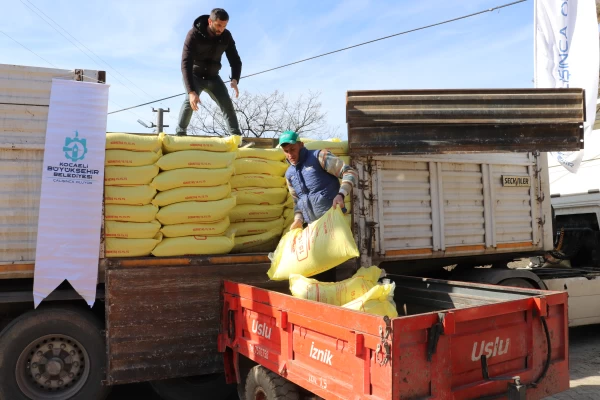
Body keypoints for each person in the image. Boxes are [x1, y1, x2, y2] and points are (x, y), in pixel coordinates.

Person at [176, 8, 242, 136]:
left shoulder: (226, 36)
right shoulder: (193, 34)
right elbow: (185, 63)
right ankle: (180, 134)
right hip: (195, 76)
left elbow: (235, 59)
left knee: (226, 104)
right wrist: (191, 91)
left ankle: (236, 136)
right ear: (210, 21)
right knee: (190, 102)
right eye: (218, 25)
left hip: (213, 77)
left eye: (224, 26)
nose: (221, 29)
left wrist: (235, 79)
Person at [279, 131, 358, 230]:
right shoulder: (289, 174)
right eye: (286, 151)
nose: (290, 154)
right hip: (313, 227)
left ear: (301, 145)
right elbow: (297, 201)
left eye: (292, 149)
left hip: (334, 223)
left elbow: (349, 172)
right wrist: (298, 219)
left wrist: (341, 194)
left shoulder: (319, 157)